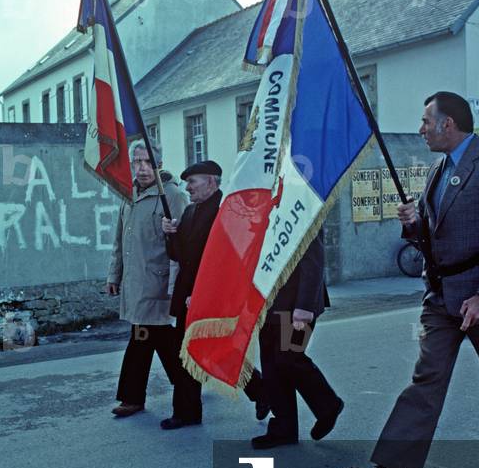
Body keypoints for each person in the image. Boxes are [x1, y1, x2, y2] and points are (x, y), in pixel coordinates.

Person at [353, 91, 479, 468]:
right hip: (441, 296)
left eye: (424, 121)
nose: (420, 130)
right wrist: (413, 224)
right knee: (426, 380)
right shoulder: (437, 169)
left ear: (447, 124)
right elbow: (432, 237)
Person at [161, 159, 269, 428]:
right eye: (186, 183)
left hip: (212, 294)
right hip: (189, 293)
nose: (187, 188)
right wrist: (170, 234)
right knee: (188, 352)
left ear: (211, 181)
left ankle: (260, 391)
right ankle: (188, 412)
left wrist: (206, 293)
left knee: (219, 350)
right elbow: (179, 256)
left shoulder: (225, 210)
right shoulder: (190, 212)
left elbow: (227, 259)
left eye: (192, 182)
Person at [106, 142, 189, 417]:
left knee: (150, 339)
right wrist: (113, 275)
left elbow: (185, 243)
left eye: (147, 162)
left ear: (159, 165)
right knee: (154, 340)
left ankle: (137, 397)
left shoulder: (172, 196)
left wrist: (179, 288)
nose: (142, 168)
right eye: (137, 162)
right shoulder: (129, 194)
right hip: (136, 283)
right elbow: (120, 240)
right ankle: (187, 387)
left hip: (159, 286)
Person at [251, 232, 344, 449]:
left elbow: (313, 259)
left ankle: (328, 405)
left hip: (295, 304)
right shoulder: (266, 205)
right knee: (272, 367)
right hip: (267, 302)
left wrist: (304, 305)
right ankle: (283, 429)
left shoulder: (300, 204)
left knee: (288, 358)